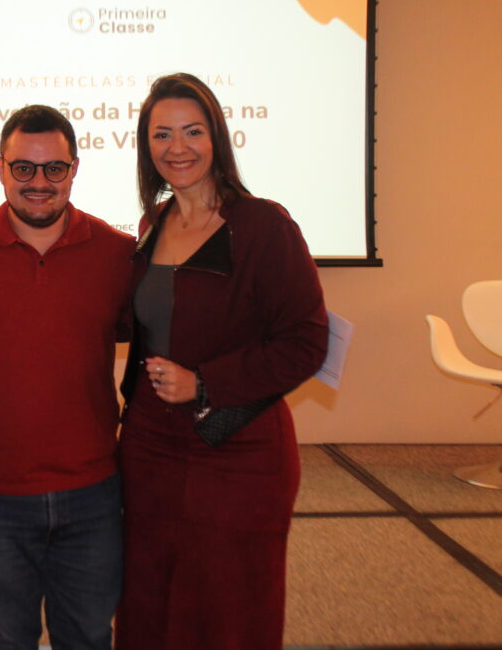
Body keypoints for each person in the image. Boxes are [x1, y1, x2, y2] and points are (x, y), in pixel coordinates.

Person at [115, 73, 329, 649]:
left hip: (236, 450)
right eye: (161, 134)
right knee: (146, 602)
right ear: (145, 144)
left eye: (192, 131)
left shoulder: (263, 225)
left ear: (218, 138)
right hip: (149, 449)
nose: (176, 147)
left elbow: (307, 341)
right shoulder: (152, 225)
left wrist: (205, 383)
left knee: (229, 609)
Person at [0, 104, 136, 650]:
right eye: (24, 168)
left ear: (74, 169)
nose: (38, 183)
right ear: (1, 168)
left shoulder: (119, 256)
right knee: (4, 638)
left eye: (53, 169)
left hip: (92, 488)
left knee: (89, 637)